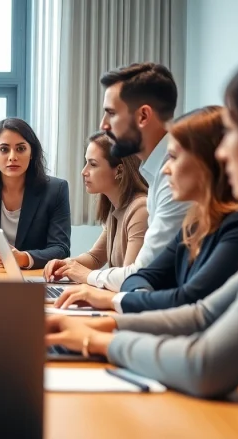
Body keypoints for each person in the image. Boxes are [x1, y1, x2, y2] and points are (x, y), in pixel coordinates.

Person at [44, 39, 238, 438]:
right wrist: (105, 327)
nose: (222, 154)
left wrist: (98, 342)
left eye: (233, 132)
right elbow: (203, 315)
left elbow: (204, 364)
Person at [54, 106, 238, 312]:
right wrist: (133, 296)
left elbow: (187, 300)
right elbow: (141, 276)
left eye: (174, 157)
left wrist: (113, 298)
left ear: (209, 162)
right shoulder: (194, 223)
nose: (166, 169)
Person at [44, 63, 189, 291]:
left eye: (111, 113)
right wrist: (72, 267)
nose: (103, 124)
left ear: (143, 116)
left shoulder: (174, 180)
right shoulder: (155, 175)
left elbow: (141, 275)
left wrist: (87, 276)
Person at [0, 118, 70, 269]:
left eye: (21, 149)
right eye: (4, 149)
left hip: (31, 277)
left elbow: (61, 248)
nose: (12, 157)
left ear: (32, 152)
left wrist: (24, 258)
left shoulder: (56, 190)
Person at [43, 132, 148, 280]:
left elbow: (130, 278)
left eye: (93, 164)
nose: (83, 171)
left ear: (119, 170)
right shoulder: (116, 208)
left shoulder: (140, 209)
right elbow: (95, 258)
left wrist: (87, 275)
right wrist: (66, 264)